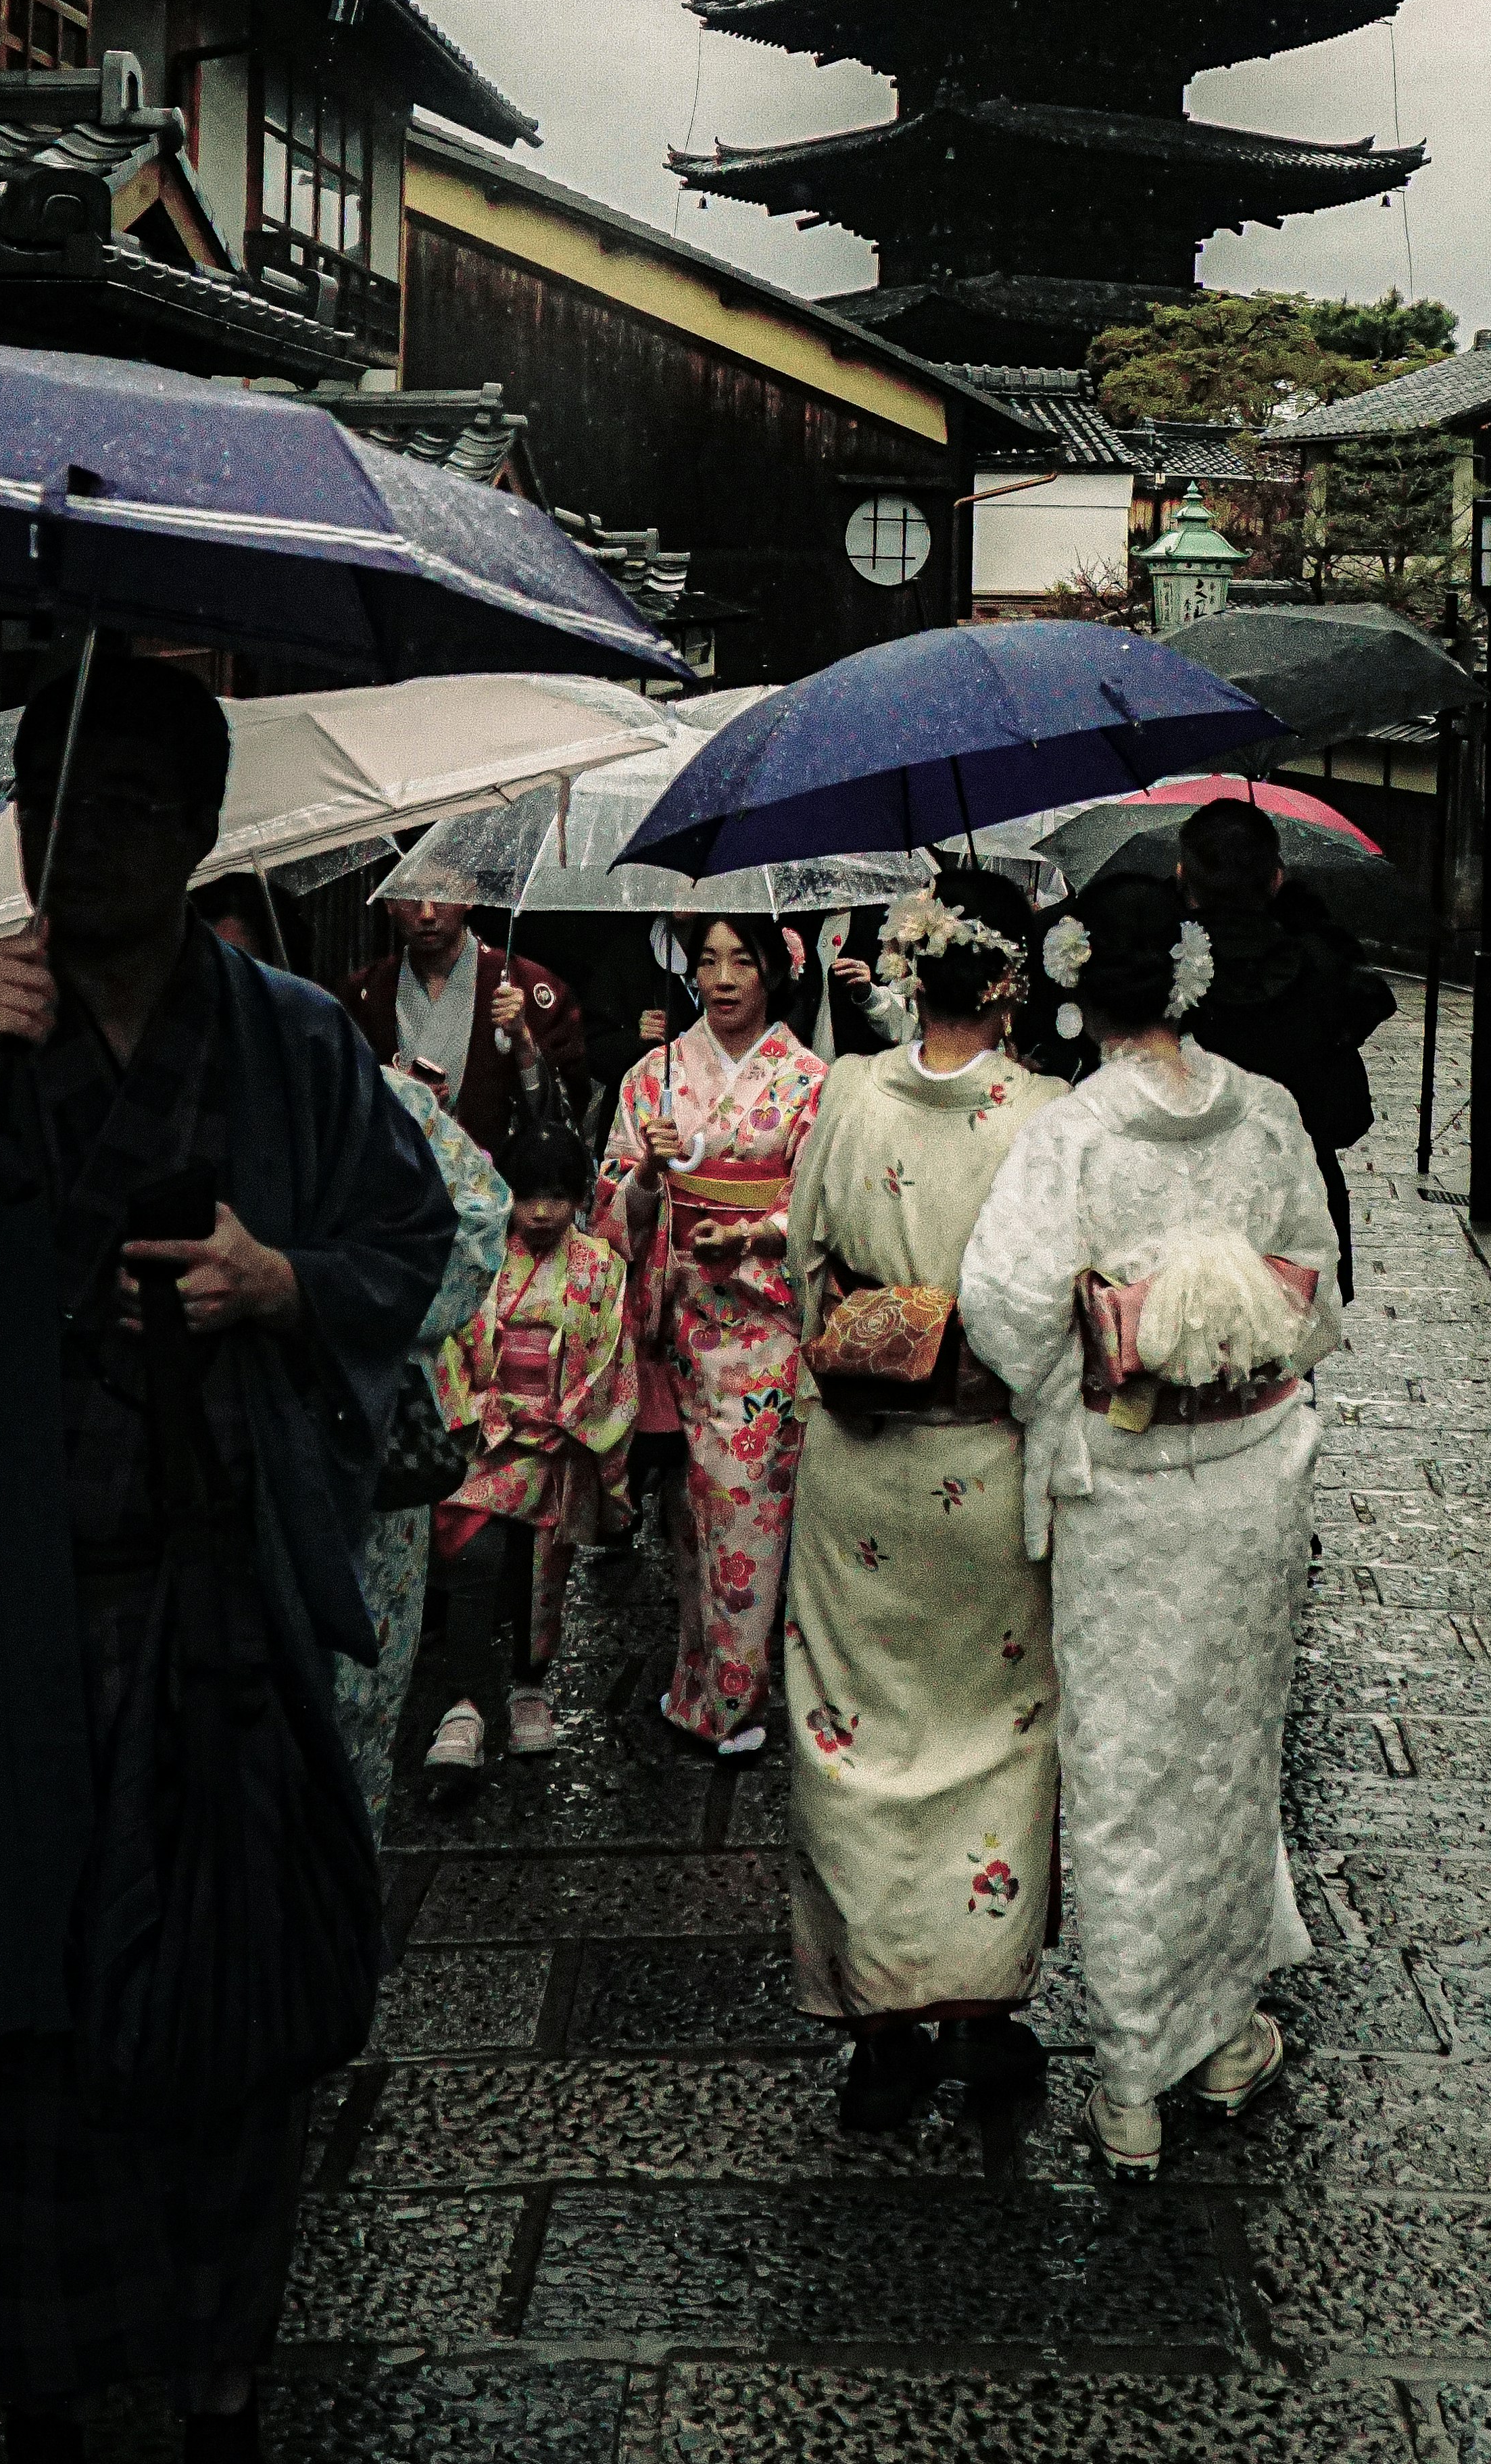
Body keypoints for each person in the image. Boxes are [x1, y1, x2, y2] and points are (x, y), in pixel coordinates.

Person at [0, 653, 455, 2463]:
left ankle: (220, 2387)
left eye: (141, 803)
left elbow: (408, 1230)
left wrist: (276, 1281)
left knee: (230, 2019)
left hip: (209, 1618)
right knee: (4, 2052)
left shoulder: (291, 1038)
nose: (97, 838)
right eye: (63, 799)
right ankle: (42, 2405)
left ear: (205, 831)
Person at [958, 871, 1342, 2184]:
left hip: (1126, 1487)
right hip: (1250, 1480)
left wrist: (1098, 1351)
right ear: (1188, 974)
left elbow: (1004, 1312)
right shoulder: (1270, 1114)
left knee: (1125, 1771)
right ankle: (1227, 2034)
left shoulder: (1068, 1137)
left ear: (1077, 984)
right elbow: (1317, 1298)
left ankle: (1131, 2083)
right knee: (1235, 1753)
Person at [780, 871, 1062, 2131]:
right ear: (1009, 980)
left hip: (858, 1460)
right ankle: (983, 2015)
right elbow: (1054, 1308)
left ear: (908, 969)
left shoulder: (845, 1093)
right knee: (996, 1728)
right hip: (985, 1464)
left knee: (855, 1738)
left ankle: (881, 2029)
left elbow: (804, 1269)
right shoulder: (1042, 1115)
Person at [599, 913, 824, 1757]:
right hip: (675, 1322)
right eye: (708, 960)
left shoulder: (808, 1081)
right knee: (687, 1518)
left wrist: (753, 1237)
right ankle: (698, 1681)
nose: (724, 978)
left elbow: (816, 1209)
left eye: (742, 960)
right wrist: (651, 1177)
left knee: (745, 1513)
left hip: (762, 1330)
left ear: (774, 970)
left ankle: (735, 1699)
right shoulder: (651, 1077)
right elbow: (612, 1202)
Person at [423, 1116, 637, 1781]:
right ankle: (462, 1703)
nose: (541, 1212)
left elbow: (610, 1359)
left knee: (541, 1569)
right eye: (526, 1195)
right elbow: (453, 1340)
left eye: (558, 1197)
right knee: (477, 1558)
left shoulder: (600, 1266)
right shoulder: (483, 1256)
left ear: (580, 1197)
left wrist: (566, 1416)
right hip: (488, 1443)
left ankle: (529, 1686)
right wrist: (485, 1412)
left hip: (558, 1441)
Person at [331, 1058, 512, 1836]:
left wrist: (348, 1301)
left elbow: (479, 1212)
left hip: (362, 1422)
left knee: (357, 1706)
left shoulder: (369, 1089)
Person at [1173, 798, 1393, 1303]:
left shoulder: (1166, 965)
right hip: (1297, 1201)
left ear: (1182, 876)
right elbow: (1347, 1113)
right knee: (1291, 1360)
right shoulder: (1320, 967)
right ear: (1276, 879)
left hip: (1188, 1200)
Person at [343, 894, 588, 1156]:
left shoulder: (529, 984)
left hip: (497, 1181)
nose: (427, 914)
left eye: (440, 895)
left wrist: (523, 1042)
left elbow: (567, 1112)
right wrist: (399, 1093)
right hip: (397, 1174)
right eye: (412, 898)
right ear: (389, 904)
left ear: (469, 897)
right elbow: (338, 1101)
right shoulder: (364, 993)